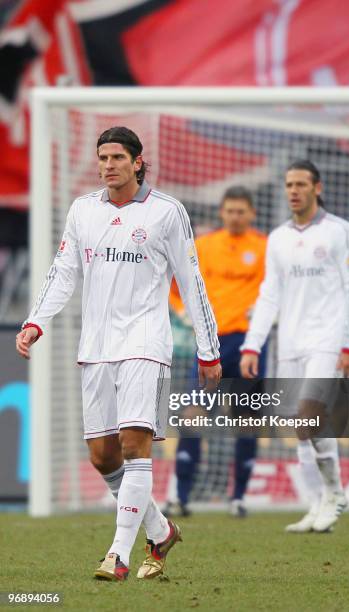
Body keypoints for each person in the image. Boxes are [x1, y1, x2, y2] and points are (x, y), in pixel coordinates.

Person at [16, 126, 221, 581]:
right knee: (103, 457)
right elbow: (63, 271)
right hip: (97, 346)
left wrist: (209, 349)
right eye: (102, 157)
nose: (108, 165)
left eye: (117, 157)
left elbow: (191, 282)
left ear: (137, 161)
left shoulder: (168, 212)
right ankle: (161, 529)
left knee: (134, 446)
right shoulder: (83, 210)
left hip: (146, 342)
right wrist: (35, 321)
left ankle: (119, 554)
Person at [240, 160, 349, 533]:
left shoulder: (340, 232)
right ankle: (316, 504)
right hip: (289, 342)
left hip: (327, 339)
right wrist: (253, 345)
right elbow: (269, 294)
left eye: (300, 184)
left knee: (309, 414)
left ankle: (335, 492)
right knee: (299, 425)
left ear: (318, 187)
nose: (293, 190)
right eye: (288, 184)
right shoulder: (278, 238)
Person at [166, 186, 267, 517]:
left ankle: (238, 497)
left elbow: (277, 289)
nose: (235, 216)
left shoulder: (265, 248)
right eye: (230, 211)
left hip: (249, 344)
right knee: (193, 416)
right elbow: (176, 285)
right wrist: (182, 312)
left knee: (247, 421)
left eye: (241, 211)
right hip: (210, 343)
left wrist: (267, 312)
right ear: (222, 213)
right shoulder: (203, 246)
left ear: (252, 213)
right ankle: (181, 496)